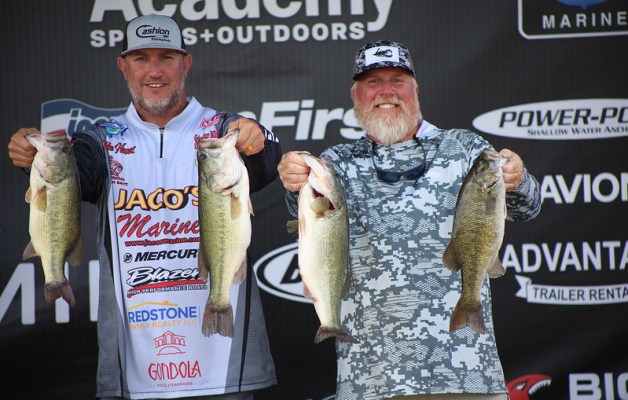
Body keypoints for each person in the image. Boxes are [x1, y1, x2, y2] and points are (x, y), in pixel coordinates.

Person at [8, 14, 278, 400]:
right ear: (123, 66)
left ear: (186, 63)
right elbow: (68, 175)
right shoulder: (100, 140)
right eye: (141, 58)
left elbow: (267, 161)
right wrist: (30, 155)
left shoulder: (221, 132)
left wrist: (257, 136)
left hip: (225, 369)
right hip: (134, 372)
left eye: (166, 57)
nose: (154, 71)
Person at [277, 40, 542, 400]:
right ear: (355, 95)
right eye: (373, 82)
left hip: (465, 371)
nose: (386, 91)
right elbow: (306, 217)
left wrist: (518, 179)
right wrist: (294, 180)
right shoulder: (336, 162)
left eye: (397, 80)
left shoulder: (464, 148)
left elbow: (528, 208)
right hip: (370, 377)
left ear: (415, 90)